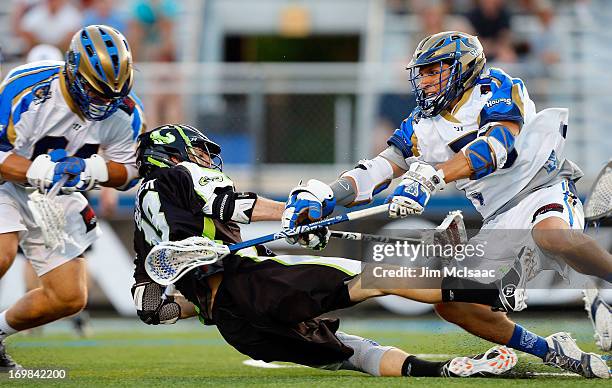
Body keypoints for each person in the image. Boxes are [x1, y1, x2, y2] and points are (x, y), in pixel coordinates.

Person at [280, 31, 611, 379]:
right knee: (451, 304)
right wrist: (326, 196)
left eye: (432, 70)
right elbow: (378, 168)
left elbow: (496, 147)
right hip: (498, 217)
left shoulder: (497, 86)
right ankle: (551, 350)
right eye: (420, 73)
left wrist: (431, 177)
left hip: (542, 188)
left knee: (553, 237)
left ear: (464, 68)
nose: (423, 81)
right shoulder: (421, 125)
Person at [131, 124, 519, 378]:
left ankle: (443, 371)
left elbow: (152, 308)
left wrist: (195, 297)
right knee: (375, 278)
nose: (204, 158)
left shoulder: (142, 223)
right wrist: (296, 214)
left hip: (236, 328)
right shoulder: (179, 173)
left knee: (349, 353)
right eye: (197, 151)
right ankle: (495, 291)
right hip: (250, 282)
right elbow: (234, 205)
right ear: (173, 152)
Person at [0, 25, 145, 369]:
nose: (103, 103)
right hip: (7, 183)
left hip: (58, 195)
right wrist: (39, 170)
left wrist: (92, 169)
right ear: (71, 68)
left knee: (69, 297)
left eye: (112, 94)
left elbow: (128, 173)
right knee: (2, 253)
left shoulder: (125, 110)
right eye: (95, 91)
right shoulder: (26, 88)